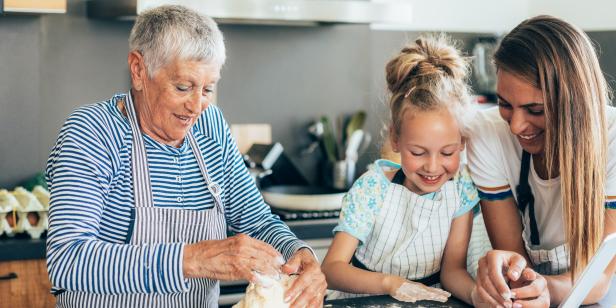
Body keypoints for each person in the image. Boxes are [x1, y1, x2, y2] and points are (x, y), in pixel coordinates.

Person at [45, 5, 326, 307]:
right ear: (139, 70)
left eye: (207, 89)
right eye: (183, 87)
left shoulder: (212, 126)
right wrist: (194, 258)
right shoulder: (92, 132)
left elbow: (256, 222)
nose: (196, 106)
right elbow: (67, 260)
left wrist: (301, 254)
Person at [467, 15, 616, 307]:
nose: (516, 126)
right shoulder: (486, 134)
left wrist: (544, 289)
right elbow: (515, 262)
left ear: (575, 104)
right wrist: (514, 282)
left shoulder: (613, 139)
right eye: (505, 105)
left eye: (535, 109)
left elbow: (597, 280)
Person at [321, 35, 480, 304]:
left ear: (462, 142)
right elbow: (332, 269)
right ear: (396, 139)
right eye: (418, 152)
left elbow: (453, 271)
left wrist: (478, 297)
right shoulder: (373, 188)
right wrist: (390, 283)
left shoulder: (461, 191)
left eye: (447, 152)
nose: (432, 166)